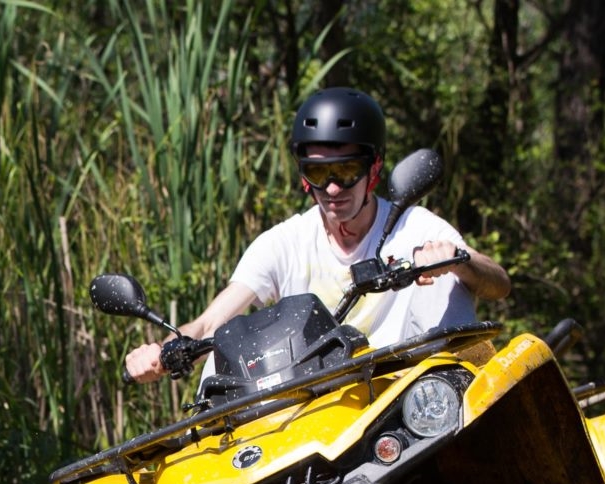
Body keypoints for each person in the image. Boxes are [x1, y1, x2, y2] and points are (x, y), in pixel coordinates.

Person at [124, 87, 511, 384]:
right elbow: (210, 323)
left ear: (374, 170)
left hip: (407, 394)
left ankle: (457, 396)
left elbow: (499, 284)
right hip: (316, 404)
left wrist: (457, 260)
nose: (331, 190)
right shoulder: (284, 241)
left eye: (345, 173)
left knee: (444, 285)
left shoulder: (414, 226)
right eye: (318, 173)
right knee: (218, 353)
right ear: (302, 175)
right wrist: (165, 350)